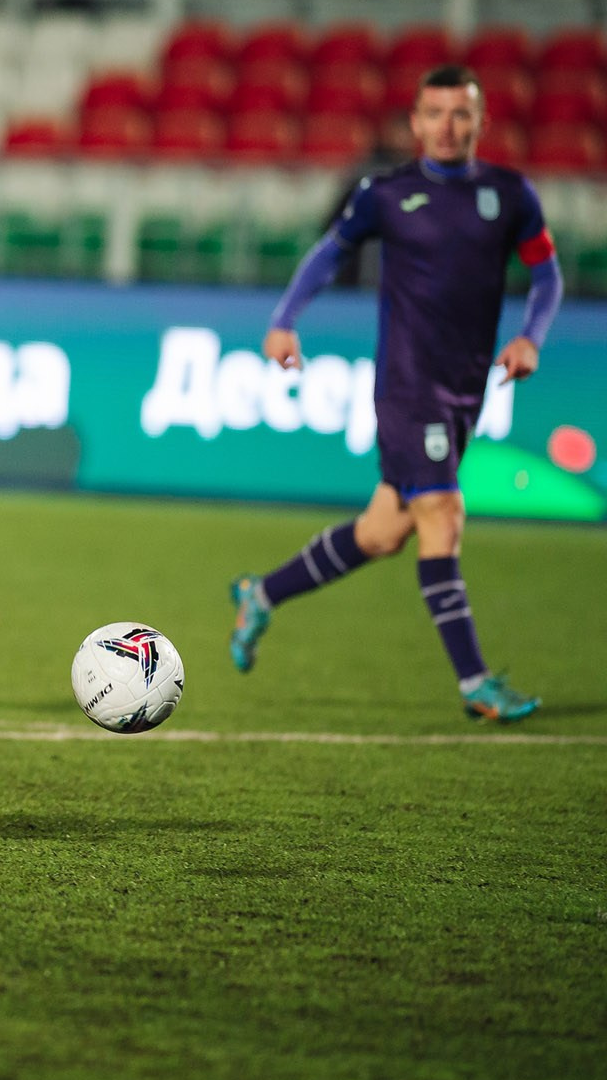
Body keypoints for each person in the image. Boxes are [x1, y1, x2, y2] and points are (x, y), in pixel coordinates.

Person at [229, 65, 562, 723]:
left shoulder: (510, 193)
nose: (447, 125)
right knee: (442, 512)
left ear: (481, 122)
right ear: (413, 123)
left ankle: (262, 593)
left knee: (383, 532)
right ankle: (475, 683)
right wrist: (283, 319)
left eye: (460, 113)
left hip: (467, 390)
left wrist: (531, 338)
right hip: (408, 386)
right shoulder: (386, 194)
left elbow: (546, 274)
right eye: (434, 113)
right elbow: (330, 252)